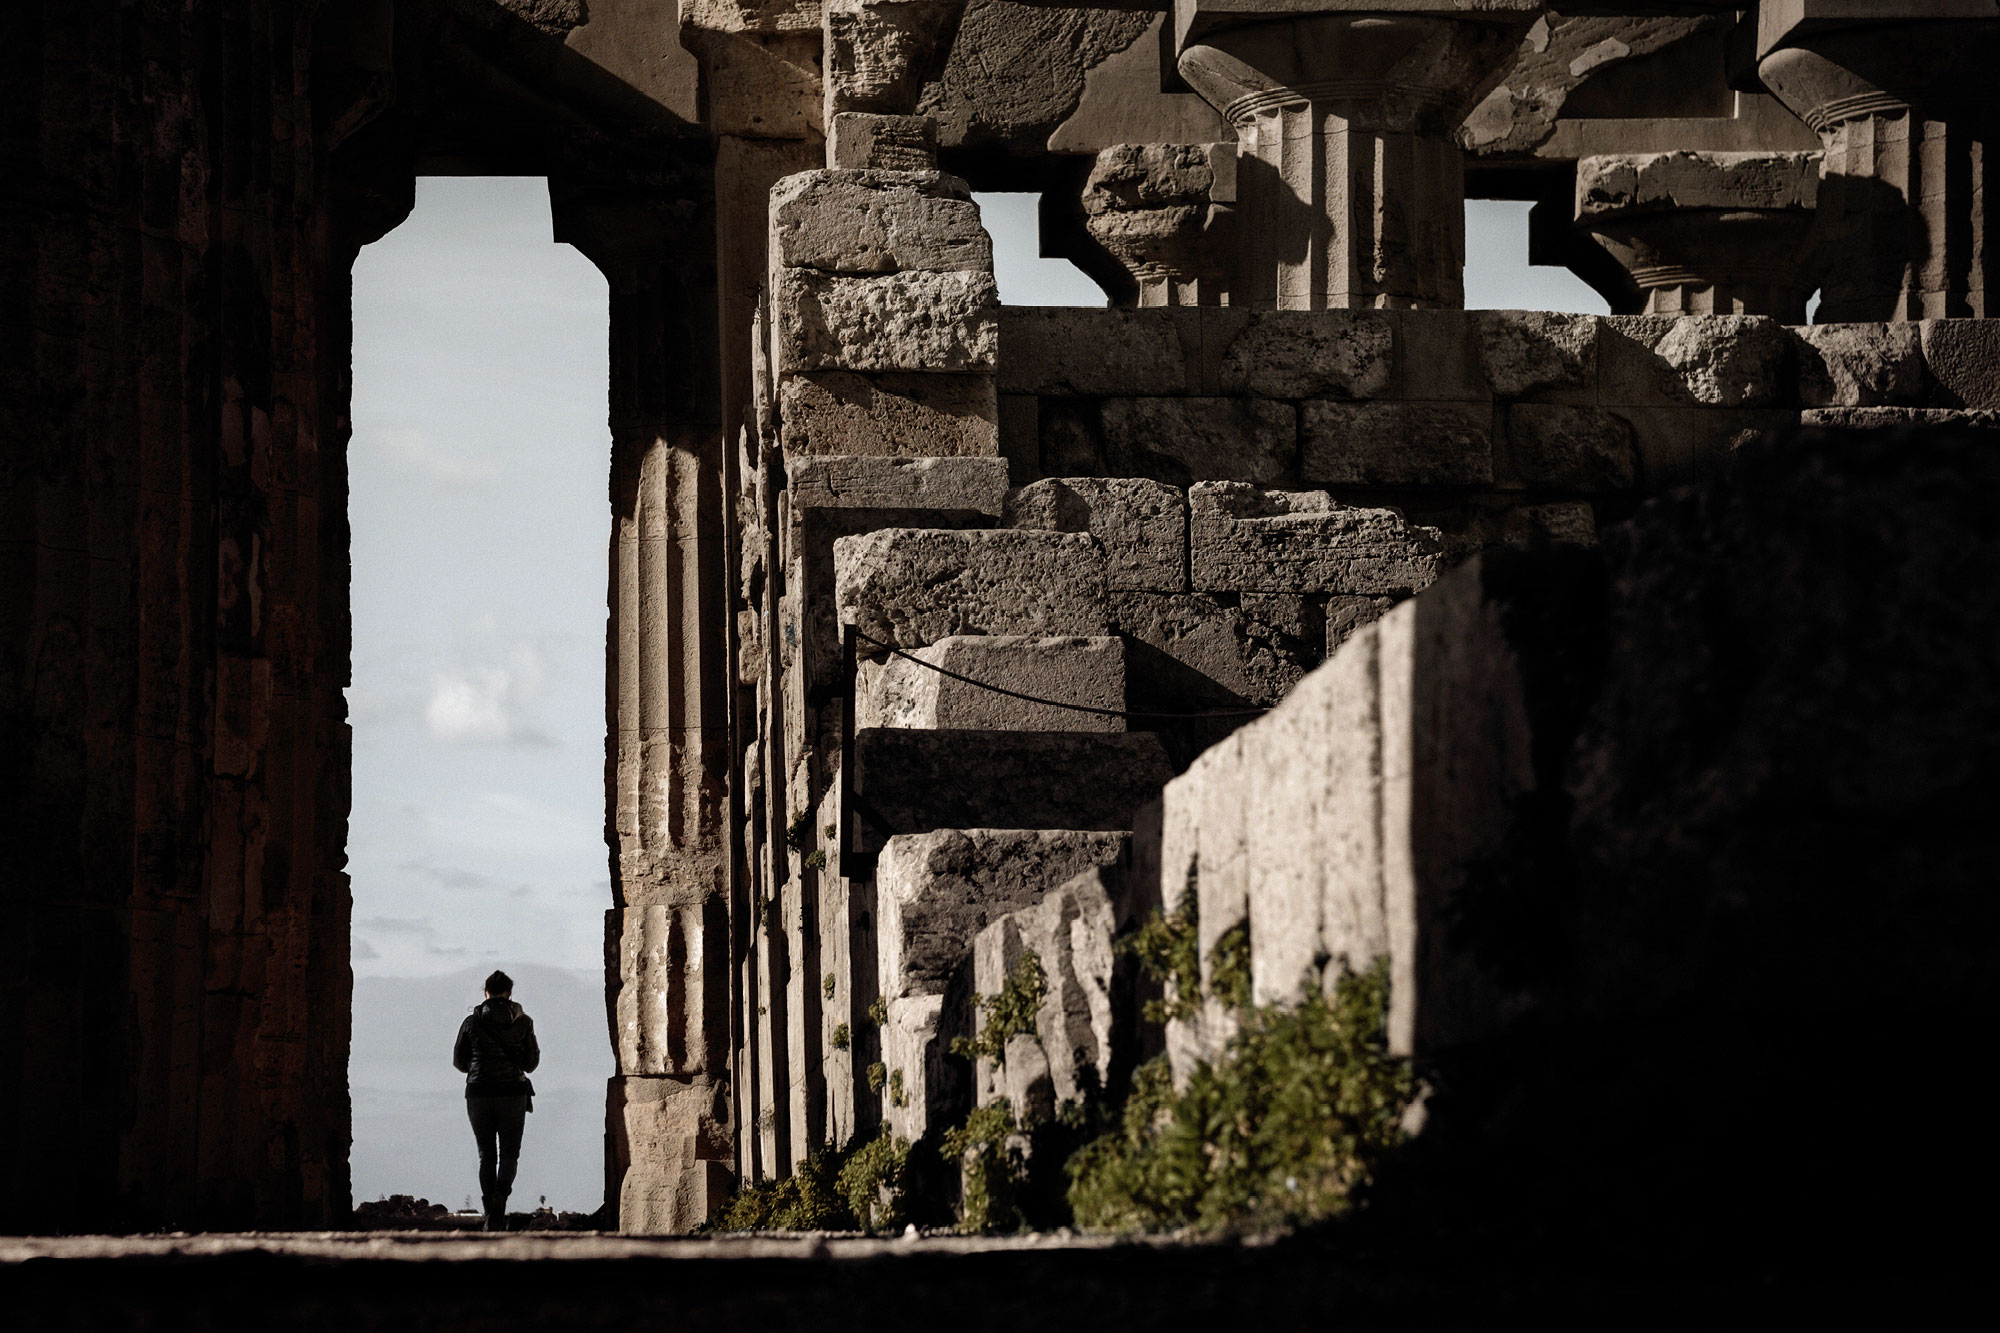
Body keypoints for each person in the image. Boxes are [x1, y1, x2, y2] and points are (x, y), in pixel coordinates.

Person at [452, 969, 540, 1230]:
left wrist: (479, 1067)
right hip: (513, 1092)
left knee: (486, 1155)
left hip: (478, 1092)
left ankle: (491, 1211)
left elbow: (459, 1061)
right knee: (510, 1154)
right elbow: (531, 1063)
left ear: (485, 993)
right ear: (509, 993)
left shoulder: (471, 1023)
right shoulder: (524, 1022)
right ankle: (500, 1200)